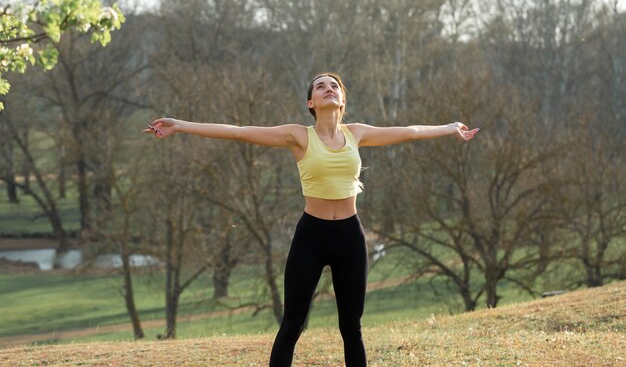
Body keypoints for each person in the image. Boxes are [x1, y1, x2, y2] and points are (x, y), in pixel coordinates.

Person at [144, 72, 479, 367]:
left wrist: (450, 128)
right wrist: (180, 126)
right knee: (292, 323)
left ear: (343, 98)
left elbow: (408, 131)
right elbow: (240, 132)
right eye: (321, 87)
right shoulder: (299, 136)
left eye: (334, 85)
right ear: (311, 102)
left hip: (350, 236)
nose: (329, 89)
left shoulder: (356, 133)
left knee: (352, 327)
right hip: (312, 236)